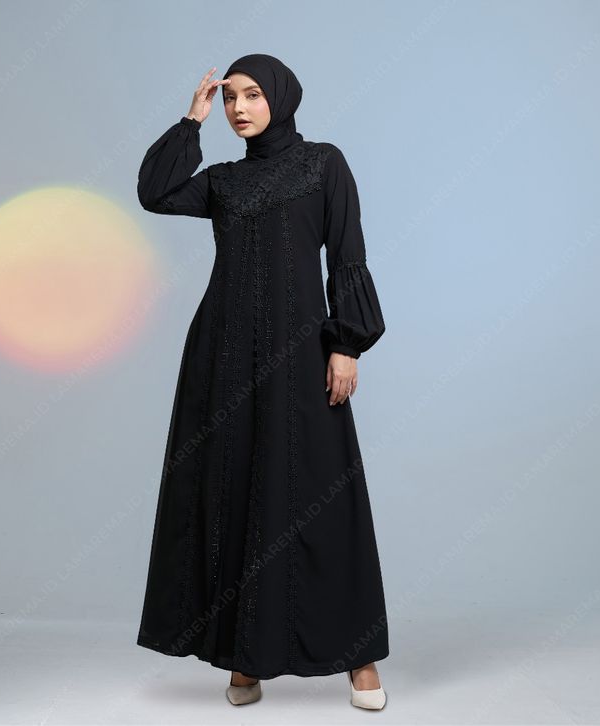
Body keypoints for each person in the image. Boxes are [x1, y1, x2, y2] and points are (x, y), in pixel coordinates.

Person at [135, 53, 389, 710]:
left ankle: (359, 660)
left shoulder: (323, 165)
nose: (239, 108)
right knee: (235, 494)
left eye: (251, 95)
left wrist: (346, 344)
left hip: (302, 351)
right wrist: (190, 122)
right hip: (222, 356)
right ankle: (244, 658)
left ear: (281, 96)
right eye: (229, 99)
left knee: (323, 497)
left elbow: (348, 254)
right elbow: (156, 192)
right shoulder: (222, 181)